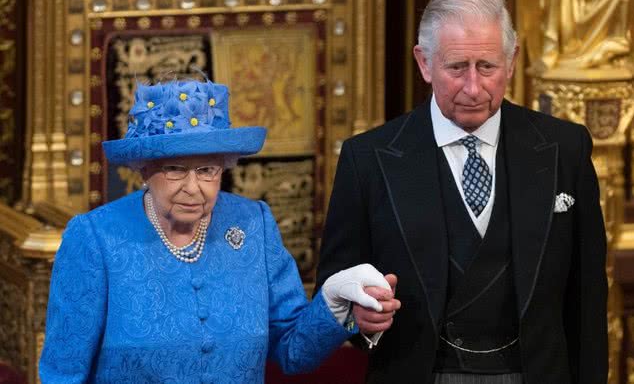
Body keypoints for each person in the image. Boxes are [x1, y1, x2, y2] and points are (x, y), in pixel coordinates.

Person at [316, 0, 608, 384]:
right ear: (424, 63)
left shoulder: (565, 148)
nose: (473, 88)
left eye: (487, 67)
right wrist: (363, 322)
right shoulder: (367, 159)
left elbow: (588, 297)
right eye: (456, 68)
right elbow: (337, 291)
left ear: (512, 60)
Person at [39, 79, 392, 383]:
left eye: (208, 170)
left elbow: (293, 351)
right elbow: (63, 374)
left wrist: (332, 302)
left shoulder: (253, 223)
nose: (194, 187)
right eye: (175, 169)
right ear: (144, 169)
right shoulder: (96, 238)